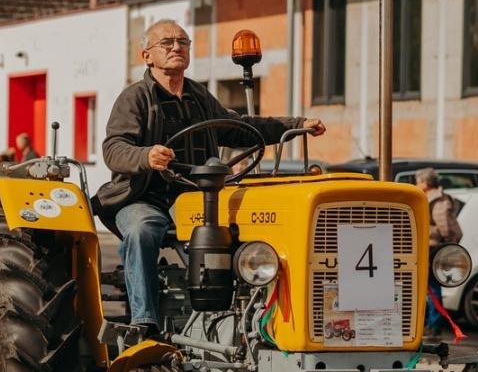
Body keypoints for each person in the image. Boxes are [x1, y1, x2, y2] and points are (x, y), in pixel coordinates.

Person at [95, 18, 326, 341]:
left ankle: (235, 317)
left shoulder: (199, 98)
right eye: (167, 43)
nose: (176, 47)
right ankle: (144, 324)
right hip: (143, 197)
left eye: (183, 42)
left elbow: (241, 128)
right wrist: (145, 156)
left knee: (236, 230)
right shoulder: (135, 98)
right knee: (141, 229)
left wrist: (297, 124)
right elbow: (114, 149)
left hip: (193, 197)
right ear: (147, 56)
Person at [416, 166, 462, 336]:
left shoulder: (438, 200)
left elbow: (445, 227)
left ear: (425, 183)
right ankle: (429, 322)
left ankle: (434, 324)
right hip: (428, 247)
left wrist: (447, 244)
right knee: (426, 287)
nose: (416, 184)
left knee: (432, 287)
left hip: (433, 248)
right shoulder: (429, 197)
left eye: (418, 181)